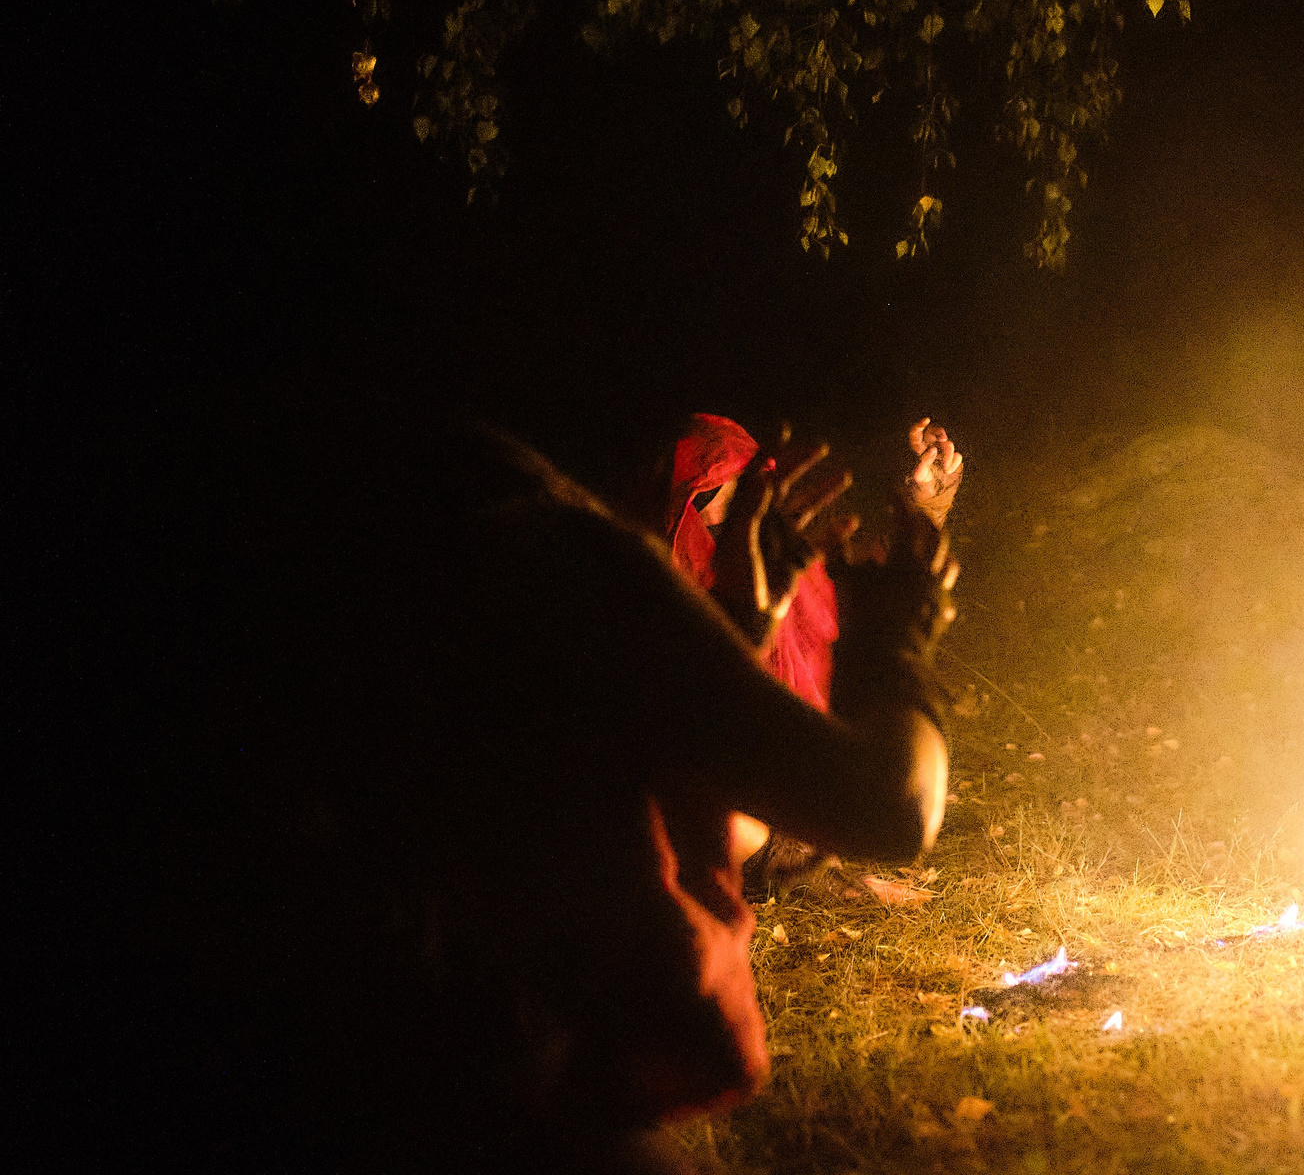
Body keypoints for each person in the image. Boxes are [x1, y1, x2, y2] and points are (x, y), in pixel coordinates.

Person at [168, 411, 959, 1174]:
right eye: (710, 507)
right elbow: (890, 806)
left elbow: (650, 758)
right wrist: (901, 641)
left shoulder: (344, 590)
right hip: (503, 1087)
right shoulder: (569, 569)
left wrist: (743, 625)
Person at [655, 413, 962, 892]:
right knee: (731, 825)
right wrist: (896, 653)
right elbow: (900, 812)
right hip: (735, 793)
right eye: (707, 496)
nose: (722, 513)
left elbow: (879, 588)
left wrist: (925, 501)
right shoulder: (655, 590)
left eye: (737, 490)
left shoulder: (778, 564)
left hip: (807, 773)